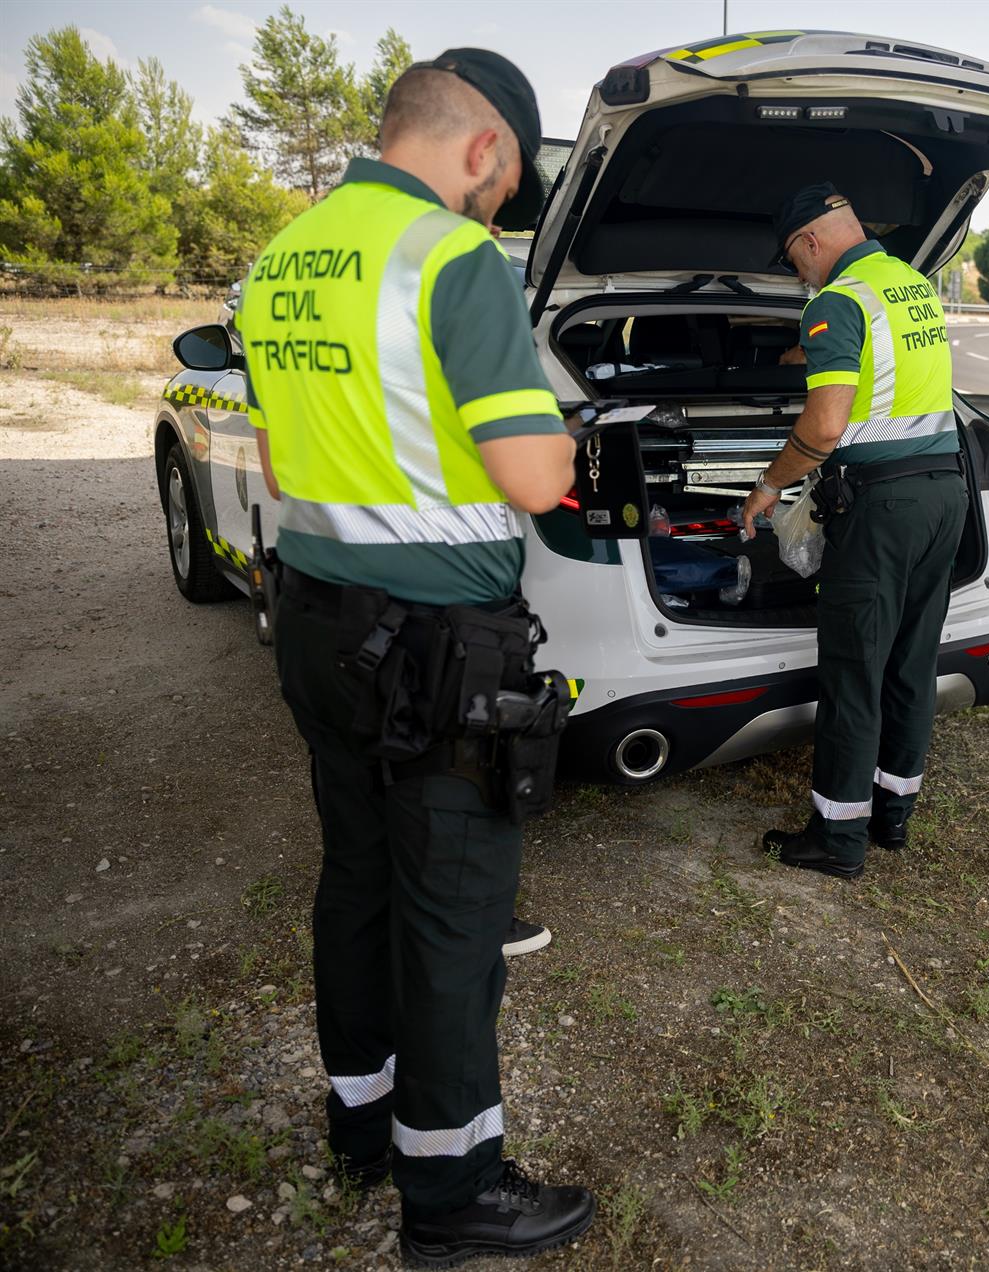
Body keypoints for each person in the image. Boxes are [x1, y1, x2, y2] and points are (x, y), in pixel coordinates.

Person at [236, 50, 594, 1263]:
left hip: (320, 620)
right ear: (485, 148)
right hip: (442, 654)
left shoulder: (282, 259)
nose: (497, 209)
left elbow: (285, 468)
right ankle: (449, 1198)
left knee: (357, 879)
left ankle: (360, 1121)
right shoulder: (450, 261)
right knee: (452, 915)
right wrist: (574, 453)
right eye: (504, 188)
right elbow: (539, 480)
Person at [740, 183, 966, 880]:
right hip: (946, 495)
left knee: (853, 671)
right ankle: (892, 816)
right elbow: (888, 379)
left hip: (883, 509)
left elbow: (827, 423)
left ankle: (837, 839)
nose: (797, 276)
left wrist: (771, 486)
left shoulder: (837, 299)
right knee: (908, 662)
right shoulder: (909, 283)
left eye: (792, 260)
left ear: (811, 241)